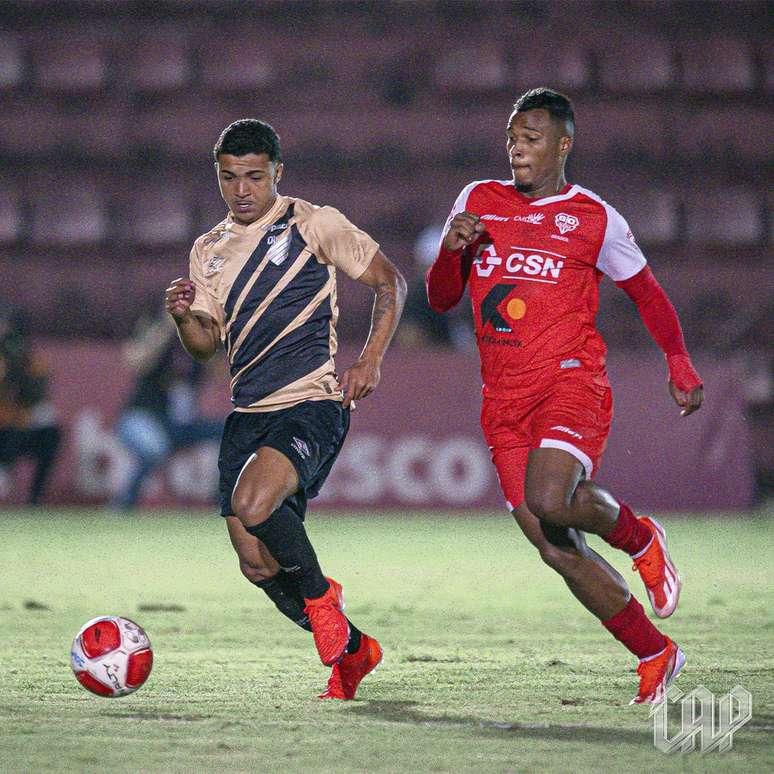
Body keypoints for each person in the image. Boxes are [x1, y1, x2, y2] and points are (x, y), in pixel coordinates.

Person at [426, 88, 703, 705]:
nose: (517, 148)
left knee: (550, 497)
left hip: (570, 381)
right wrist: (451, 251)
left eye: (530, 137)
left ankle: (639, 538)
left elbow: (648, 293)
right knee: (554, 544)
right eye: (512, 138)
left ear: (563, 144)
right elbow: (442, 297)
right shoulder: (477, 200)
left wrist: (678, 361)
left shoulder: (595, 217)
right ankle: (655, 653)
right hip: (502, 398)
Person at [164, 119, 406, 700]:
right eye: (229, 178)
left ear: (278, 172)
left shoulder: (313, 223)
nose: (241, 190)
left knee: (254, 503)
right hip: (247, 411)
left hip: (311, 402)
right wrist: (183, 320)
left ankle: (324, 603)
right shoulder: (209, 251)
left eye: (254, 176)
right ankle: (352, 650)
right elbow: (206, 347)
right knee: (256, 563)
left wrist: (370, 360)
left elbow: (390, 283)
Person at [112, 308, 222, 509]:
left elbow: (224, 369)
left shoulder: (198, 349)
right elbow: (136, 361)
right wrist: (168, 323)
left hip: (180, 425)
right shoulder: (162, 343)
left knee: (231, 432)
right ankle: (124, 504)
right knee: (153, 447)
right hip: (143, 417)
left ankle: (222, 503)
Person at [0, 305, 62, 505]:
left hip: (13, 426)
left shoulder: (23, 355)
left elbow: (36, 394)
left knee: (50, 434)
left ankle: (34, 499)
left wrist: (21, 367)